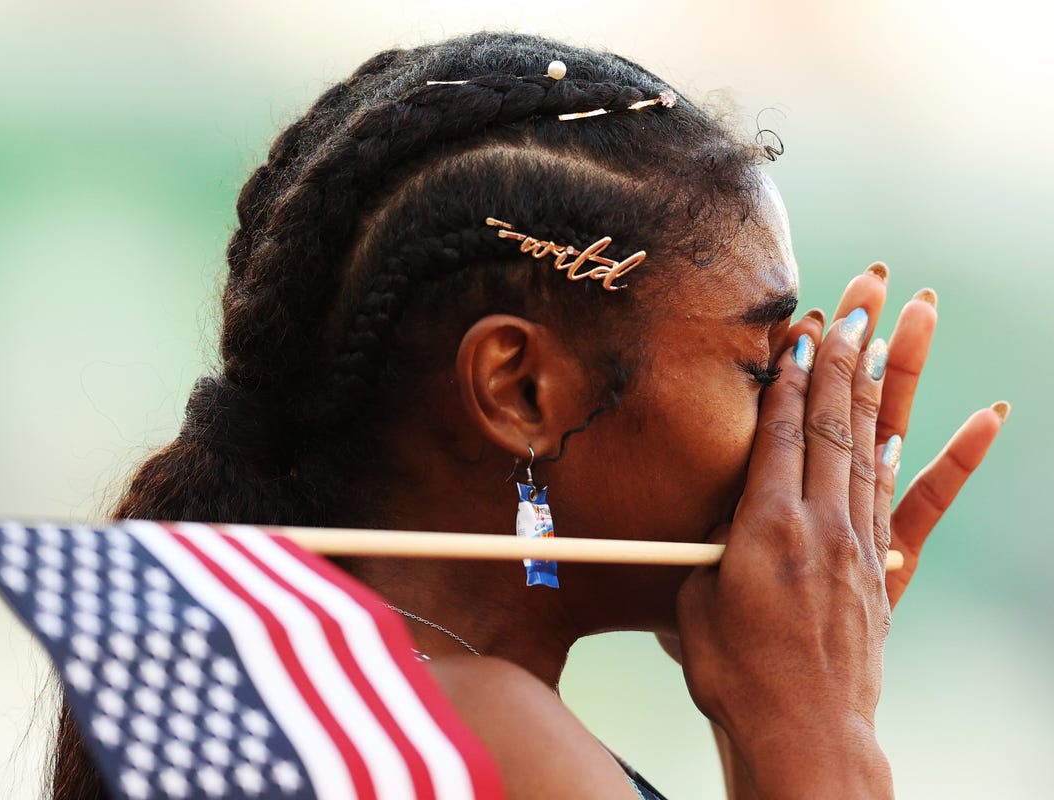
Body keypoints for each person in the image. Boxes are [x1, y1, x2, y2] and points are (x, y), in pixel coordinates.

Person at [52, 31, 1006, 799]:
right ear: (521, 391)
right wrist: (825, 733)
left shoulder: (328, 693)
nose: (796, 439)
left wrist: (767, 708)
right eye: (766, 368)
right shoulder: (497, 745)